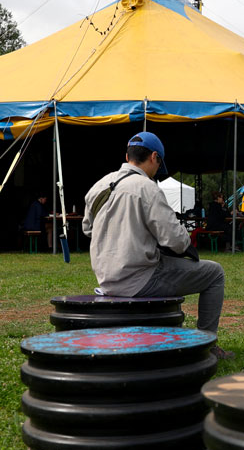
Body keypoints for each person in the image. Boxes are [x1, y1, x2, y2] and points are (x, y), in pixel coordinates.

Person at [82, 131, 229, 358]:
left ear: (127, 155)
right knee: (215, 273)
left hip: (107, 279)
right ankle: (206, 344)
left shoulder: (98, 186)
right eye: (159, 163)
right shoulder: (147, 187)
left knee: (172, 266)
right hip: (140, 279)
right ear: (153, 157)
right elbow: (176, 241)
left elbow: (87, 229)